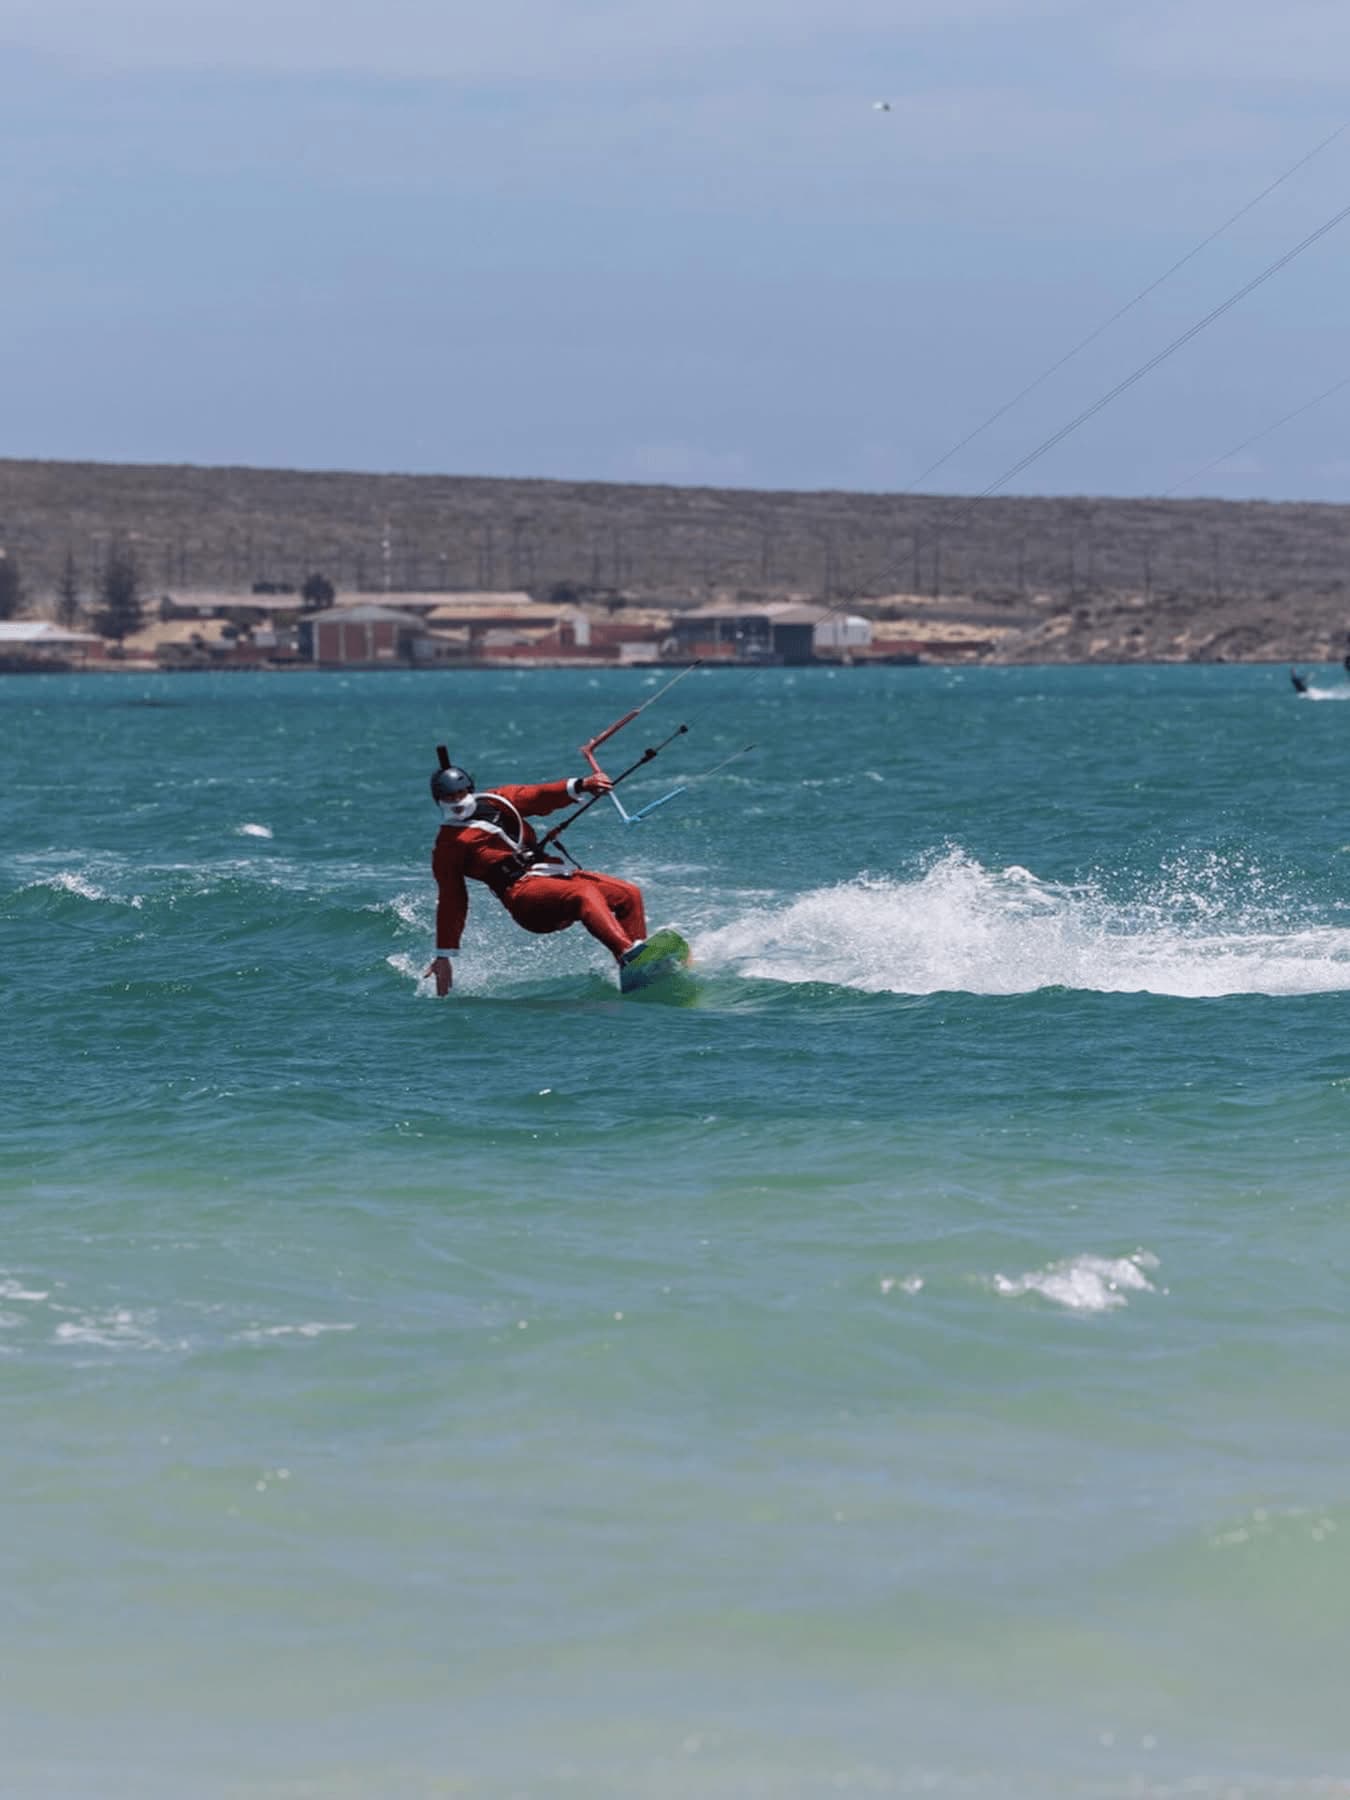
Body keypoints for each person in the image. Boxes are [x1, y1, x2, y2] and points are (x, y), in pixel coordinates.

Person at [423, 762, 649, 995]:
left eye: (460, 793)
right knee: (583, 894)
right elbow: (452, 901)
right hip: (523, 897)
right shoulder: (447, 846)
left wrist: (582, 785)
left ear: (470, 790)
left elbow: (537, 796)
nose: (457, 801)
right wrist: (444, 955)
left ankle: (640, 964)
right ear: (439, 800)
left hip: (552, 875)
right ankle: (628, 955)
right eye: (449, 797)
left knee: (628, 894)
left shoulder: (498, 800)